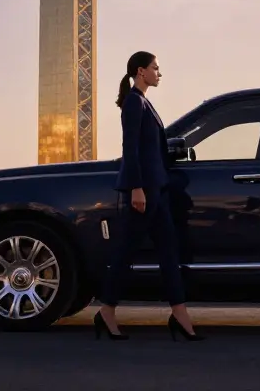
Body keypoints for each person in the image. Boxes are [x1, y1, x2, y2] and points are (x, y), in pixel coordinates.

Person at [94, 51, 204, 342]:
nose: (159, 72)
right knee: (126, 253)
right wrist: (137, 187)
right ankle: (106, 311)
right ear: (141, 71)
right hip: (145, 192)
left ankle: (180, 315)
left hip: (158, 190)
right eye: (156, 68)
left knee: (169, 254)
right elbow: (130, 147)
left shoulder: (143, 102)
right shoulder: (133, 102)